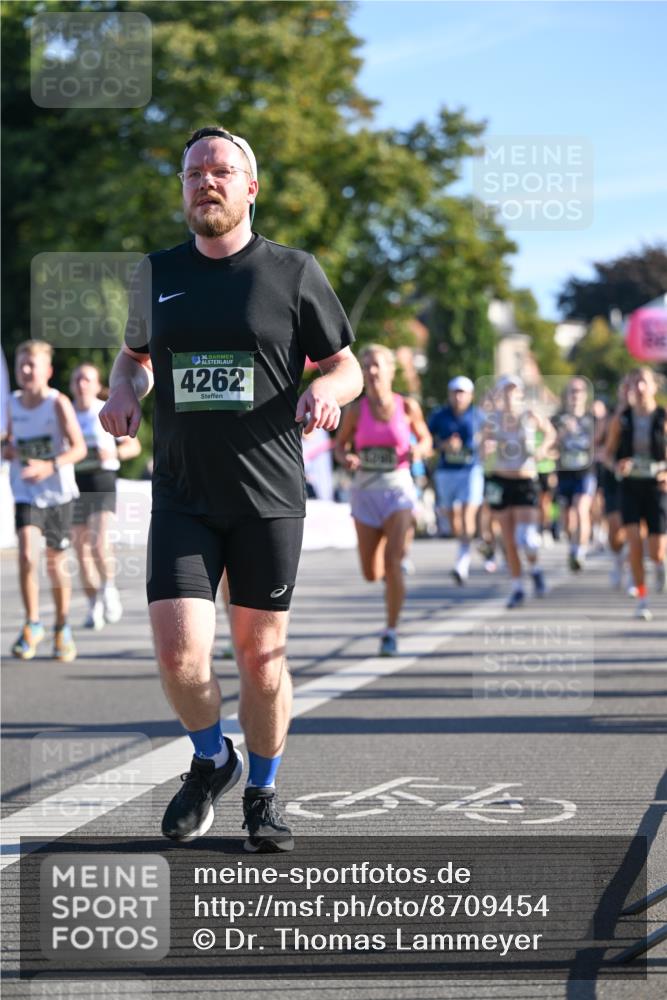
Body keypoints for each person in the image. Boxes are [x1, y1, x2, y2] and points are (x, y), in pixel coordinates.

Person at [100, 125, 362, 852]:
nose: (205, 182)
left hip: (267, 497)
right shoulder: (156, 273)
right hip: (183, 494)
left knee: (261, 660)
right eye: (193, 174)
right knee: (179, 656)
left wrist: (326, 391)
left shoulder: (293, 271)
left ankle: (264, 793)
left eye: (219, 171)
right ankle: (213, 759)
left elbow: (345, 364)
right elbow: (132, 360)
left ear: (251, 187)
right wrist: (123, 392)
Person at [334, 344, 432, 656]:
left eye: (376, 365)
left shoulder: (407, 406)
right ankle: (393, 571)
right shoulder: (355, 410)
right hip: (365, 493)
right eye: (366, 366)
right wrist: (347, 458)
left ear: (391, 370)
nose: (371, 371)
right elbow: (339, 446)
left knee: (392, 564)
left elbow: (426, 439)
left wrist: (419, 450)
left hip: (398, 490)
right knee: (371, 573)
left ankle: (390, 631)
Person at [3, 341, 86, 661]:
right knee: (26, 554)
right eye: (20, 365)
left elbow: (78, 448)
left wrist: (48, 465)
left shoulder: (58, 403)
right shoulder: (11, 403)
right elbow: (9, 441)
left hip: (57, 494)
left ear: (47, 371)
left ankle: (62, 627)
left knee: (55, 562)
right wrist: (8, 450)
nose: (25, 370)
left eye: (31, 365)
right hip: (26, 491)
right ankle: (32, 623)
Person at [70, 363, 141, 629]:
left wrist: (113, 453)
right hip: (74, 483)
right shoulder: (66, 412)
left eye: (87, 379)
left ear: (97, 384)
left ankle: (109, 589)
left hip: (102, 480)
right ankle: (93, 605)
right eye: (77, 379)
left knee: (98, 542)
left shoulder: (105, 409)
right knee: (81, 550)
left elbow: (133, 447)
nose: (81, 384)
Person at [481, 375, 555, 608]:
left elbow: (551, 433)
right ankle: (517, 587)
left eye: (514, 391)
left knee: (528, 538)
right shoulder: (493, 419)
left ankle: (535, 568)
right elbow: (482, 447)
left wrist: (542, 449)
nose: (509, 396)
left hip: (525, 481)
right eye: (505, 391)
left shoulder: (530, 415)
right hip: (501, 480)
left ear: (520, 394)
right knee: (509, 539)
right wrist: (486, 448)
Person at [605, 366, 667, 620]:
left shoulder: (663, 416)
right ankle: (642, 598)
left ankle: (660, 565)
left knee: (656, 551)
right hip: (630, 486)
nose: (639, 388)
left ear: (654, 387)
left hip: (656, 488)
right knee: (634, 545)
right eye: (635, 383)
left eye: (643, 382)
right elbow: (607, 454)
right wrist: (617, 466)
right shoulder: (622, 418)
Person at [428, 376, 484, 585]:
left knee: (468, 514)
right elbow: (427, 439)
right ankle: (471, 544)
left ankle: (462, 562)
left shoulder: (479, 416)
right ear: (449, 395)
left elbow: (492, 438)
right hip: (446, 471)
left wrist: (485, 445)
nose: (459, 397)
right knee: (454, 522)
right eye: (455, 392)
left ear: (471, 395)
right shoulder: (439, 416)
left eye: (463, 393)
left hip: (471, 470)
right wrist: (443, 445)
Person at [552, 377, 597, 571]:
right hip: (564, 472)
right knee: (567, 520)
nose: (575, 395)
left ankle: (580, 551)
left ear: (585, 395)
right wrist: (563, 432)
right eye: (572, 391)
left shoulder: (593, 418)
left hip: (585, 472)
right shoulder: (557, 419)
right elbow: (550, 445)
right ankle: (573, 546)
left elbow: (602, 442)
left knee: (581, 510)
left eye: (579, 391)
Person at [600, 377, 632, 589]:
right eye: (624, 389)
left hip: (638, 479)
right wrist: (614, 466)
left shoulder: (648, 416)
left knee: (634, 528)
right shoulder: (611, 417)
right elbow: (601, 448)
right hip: (613, 477)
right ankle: (618, 562)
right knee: (614, 529)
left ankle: (632, 571)